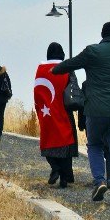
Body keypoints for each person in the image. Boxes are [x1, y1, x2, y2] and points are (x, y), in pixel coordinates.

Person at [53, 21, 110, 207]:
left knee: (94, 145)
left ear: (102, 34)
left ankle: (100, 181)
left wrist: (54, 69)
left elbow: (67, 65)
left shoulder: (92, 52)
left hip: (95, 110)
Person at [34, 43, 79, 188]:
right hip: (63, 111)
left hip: (46, 112)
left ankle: (55, 167)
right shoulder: (66, 69)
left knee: (48, 141)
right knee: (66, 142)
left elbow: (37, 91)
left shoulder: (40, 69)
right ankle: (65, 177)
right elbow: (73, 90)